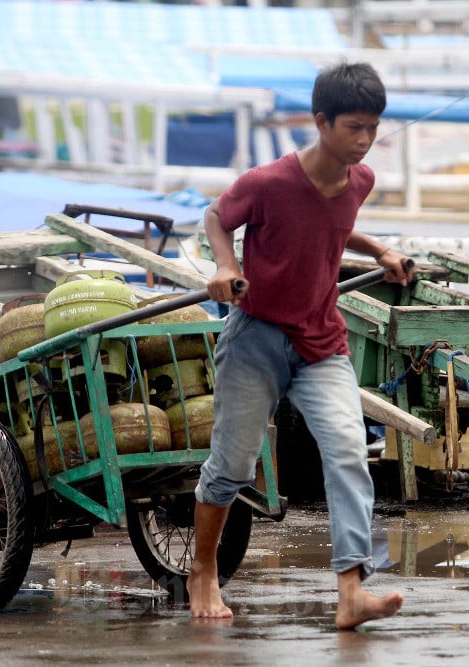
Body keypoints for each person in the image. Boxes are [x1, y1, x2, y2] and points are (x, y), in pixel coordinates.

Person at [188, 60, 412, 630]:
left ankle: (352, 591)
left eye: (373, 128)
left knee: (346, 450)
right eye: (354, 127)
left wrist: (381, 250)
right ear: (321, 122)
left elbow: (334, 224)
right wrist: (226, 263)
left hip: (320, 343)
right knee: (235, 464)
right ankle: (203, 569)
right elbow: (217, 215)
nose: (365, 141)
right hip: (256, 337)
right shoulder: (268, 183)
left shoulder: (360, 181)